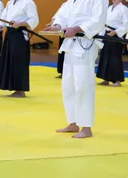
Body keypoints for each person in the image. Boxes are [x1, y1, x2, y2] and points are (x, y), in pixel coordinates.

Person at [45, 0, 107, 139]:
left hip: (85, 43)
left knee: (83, 86)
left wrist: (77, 28)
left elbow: (98, 20)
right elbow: (62, 15)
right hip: (70, 44)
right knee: (68, 85)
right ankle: (73, 123)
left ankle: (86, 127)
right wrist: (57, 26)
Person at [0, 0, 39, 98]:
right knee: (9, 60)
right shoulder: (10, 3)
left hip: (20, 34)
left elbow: (34, 19)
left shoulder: (28, 2)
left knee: (19, 61)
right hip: (10, 34)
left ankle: (20, 90)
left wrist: (20, 23)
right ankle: (12, 87)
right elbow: (3, 17)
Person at [96, 0, 128, 87]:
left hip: (116, 35)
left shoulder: (124, 9)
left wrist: (116, 32)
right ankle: (105, 78)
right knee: (105, 56)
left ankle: (117, 80)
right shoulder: (109, 8)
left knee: (115, 57)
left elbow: (126, 24)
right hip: (106, 33)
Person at [50, 1, 68, 79]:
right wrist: (54, 24)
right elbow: (58, 16)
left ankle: (67, 73)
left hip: (73, 32)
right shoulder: (66, 4)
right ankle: (62, 71)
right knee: (62, 53)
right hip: (63, 31)